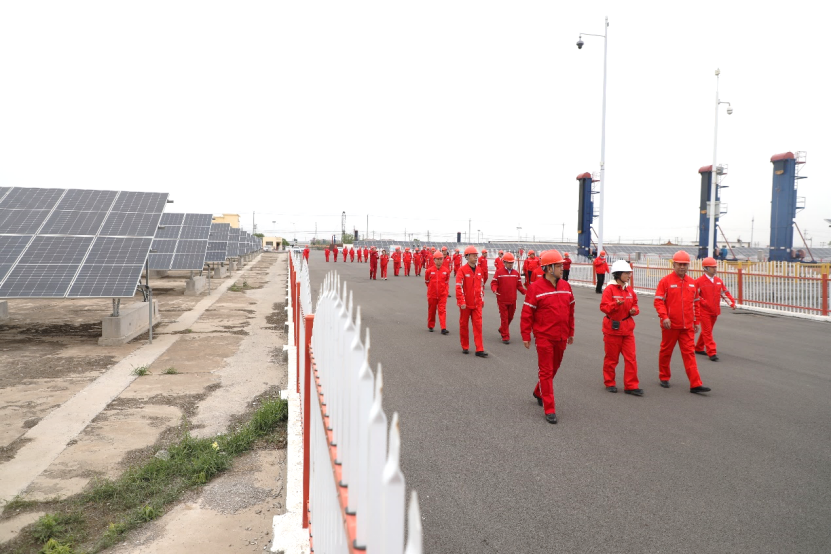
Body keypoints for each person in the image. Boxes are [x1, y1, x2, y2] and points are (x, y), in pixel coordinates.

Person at [521, 250, 574, 424]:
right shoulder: (535, 288)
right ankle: (549, 408)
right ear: (549, 268)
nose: (562, 268)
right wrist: (525, 334)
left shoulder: (566, 286)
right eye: (559, 266)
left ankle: (539, 391)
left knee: (554, 368)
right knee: (545, 371)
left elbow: (571, 311)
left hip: (561, 336)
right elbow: (527, 313)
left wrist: (571, 331)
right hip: (544, 337)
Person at [654, 251, 711, 393]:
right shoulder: (665, 281)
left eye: (685, 264)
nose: (682, 267)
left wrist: (696, 321)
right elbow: (658, 301)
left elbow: (696, 303)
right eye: (679, 264)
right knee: (666, 351)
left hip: (687, 327)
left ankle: (695, 384)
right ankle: (664, 376)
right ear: (674, 265)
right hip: (670, 325)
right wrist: (664, 317)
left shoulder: (692, 283)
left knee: (689, 354)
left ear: (688, 266)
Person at [600, 260, 643, 396]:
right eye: (626, 273)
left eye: (629, 273)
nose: (629, 275)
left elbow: (635, 304)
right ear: (618, 274)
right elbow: (604, 307)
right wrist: (615, 304)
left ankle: (631, 385)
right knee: (611, 359)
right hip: (613, 330)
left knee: (631, 358)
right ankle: (609, 382)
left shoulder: (629, 290)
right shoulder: (609, 289)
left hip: (627, 330)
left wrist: (634, 310)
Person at [695, 257, 736, 361]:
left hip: (715, 311)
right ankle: (712, 352)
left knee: (707, 331)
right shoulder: (699, 281)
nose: (715, 269)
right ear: (706, 268)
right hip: (704, 311)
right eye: (712, 267)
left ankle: (699, 348)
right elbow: (695, 295)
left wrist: (731, 303)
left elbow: (724, 293)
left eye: (715, 267)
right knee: (707, 332)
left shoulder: (718, 281)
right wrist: (704, 302)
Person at [456, 246, 487, 357]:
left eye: (476, 255)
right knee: (464, 325)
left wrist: (482, 300)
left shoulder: (479, 270)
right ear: (467, 257)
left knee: (478, 326)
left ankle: (479, 349)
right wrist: (461, 301)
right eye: (473, 255)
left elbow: (481, 286)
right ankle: (465, 346)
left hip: (477, 304)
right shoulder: (462, 270)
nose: (475, 257)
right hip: (465, 304)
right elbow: (458, 287)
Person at [491, 252, 526, 344]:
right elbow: (494, 283)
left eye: (512, 263)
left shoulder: (516, 274)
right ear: (504, 262)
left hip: (512, 300)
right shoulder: (499, 272)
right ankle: (505, 336)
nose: (511, 264)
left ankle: (502, 329)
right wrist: (494, 289)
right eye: (509, 263)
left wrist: (526, 292)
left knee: (510, 317)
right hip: (502, 299)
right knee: (504, 318)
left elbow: (519, 286)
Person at [425, 251, 451, 335]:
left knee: (442, 310)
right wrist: (431, 289)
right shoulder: (429, 271)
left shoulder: (446, 271)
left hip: (442, 295)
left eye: (441, 259)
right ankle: (431, 325)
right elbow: (427, 281)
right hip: (432, 294)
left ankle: (443, 328)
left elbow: (446, 283)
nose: (439, 261)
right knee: (431, 311)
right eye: (437, 259)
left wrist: (445, 292)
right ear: (434, 260)